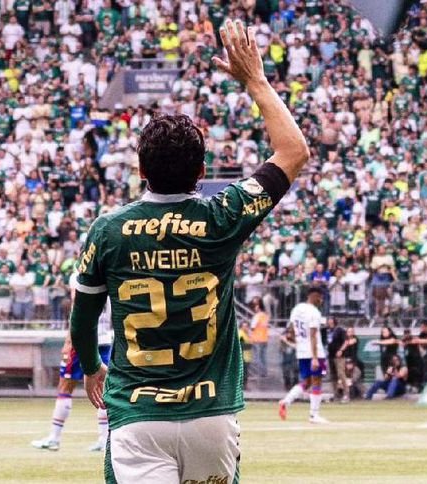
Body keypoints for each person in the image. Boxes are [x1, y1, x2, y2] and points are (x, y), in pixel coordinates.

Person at [68, 20, 310, 483]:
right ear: (202, 171)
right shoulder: (223, 216)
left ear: (140, 169)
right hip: (211, 414)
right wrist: (256, 81)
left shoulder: (108, 230)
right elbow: (293, 151)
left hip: (137, 414)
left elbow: (82, 317)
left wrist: (92, 367)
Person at [32, 273, 112, 453]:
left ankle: (54, 438)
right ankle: (104, 440)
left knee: (65, 386)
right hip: (105, 338)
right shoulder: (108, 272)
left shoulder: (80, 274)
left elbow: (78, 306)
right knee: (104, 388)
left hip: (83, 340)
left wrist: (69, 341)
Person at [278, 288, 328, 424]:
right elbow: (313, 335)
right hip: (315, 352)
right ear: (315, 296)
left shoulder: (297, 309)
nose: (321, 301)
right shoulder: (314, 312)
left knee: (307, 382)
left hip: (301, 352)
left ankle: (285, 401)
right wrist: (315, 358)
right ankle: (314, 415)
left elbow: (291, 330)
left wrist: (297, 341)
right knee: (317, 381)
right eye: (320, 298)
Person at [325, 317, 349, 403]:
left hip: (339, 356)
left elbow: (346, 341)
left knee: (341, 374)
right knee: (333, 376)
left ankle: (346, 394)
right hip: (330, 355)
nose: (329, 321)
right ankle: (336, 395)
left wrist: (341, 350)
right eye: (328, 320)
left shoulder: (340, 330)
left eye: (331, 320)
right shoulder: (327, 331)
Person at [249, 297, 270, 377]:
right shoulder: (265, 316)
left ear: (258, 307)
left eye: (256, 306)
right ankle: (264, 372)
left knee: (257, 358)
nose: (255, 308)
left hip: (257, 339)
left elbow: (252, 327)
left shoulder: (257, 316)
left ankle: (260, 372)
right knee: (263, 357)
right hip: (264, 339)